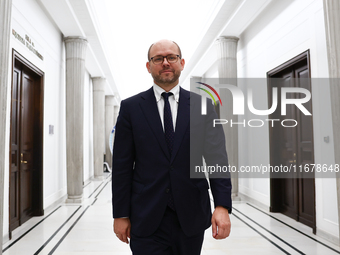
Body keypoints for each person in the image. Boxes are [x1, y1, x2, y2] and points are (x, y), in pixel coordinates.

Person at [112, 39, 232, 255]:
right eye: (158, 59)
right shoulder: (131, 108)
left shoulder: (203, 105)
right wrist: (120, 214)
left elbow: (217, 159)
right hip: (146, 215)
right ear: (148, 66)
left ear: (182, 62)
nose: (165, 62)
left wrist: (222, 206)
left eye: (171, 57)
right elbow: (121, 166)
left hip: (191, 214)